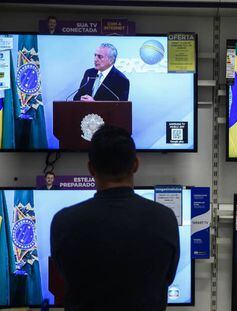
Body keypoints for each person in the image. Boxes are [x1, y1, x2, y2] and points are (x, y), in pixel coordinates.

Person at [50, 125, 179, 311]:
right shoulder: (165, 219)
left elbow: (65, 278)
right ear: (136, 164)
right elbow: (167, 278)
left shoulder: (64, 222)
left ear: (91, 169)